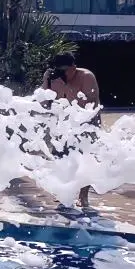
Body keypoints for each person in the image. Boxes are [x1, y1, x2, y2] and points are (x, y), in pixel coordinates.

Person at [41, 52, 101, 208]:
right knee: (61, 158)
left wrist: (66, 86)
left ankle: (83, 195)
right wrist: (46, 81)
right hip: (64, 123)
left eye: (65, 71)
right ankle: (65, 191)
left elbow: (89, 103)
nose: (63, 74)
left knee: (84, 158)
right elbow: (44, 103)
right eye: (59, 71)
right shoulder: (55, 78)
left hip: (87, 122)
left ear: (74, 67)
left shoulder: (86, 76)